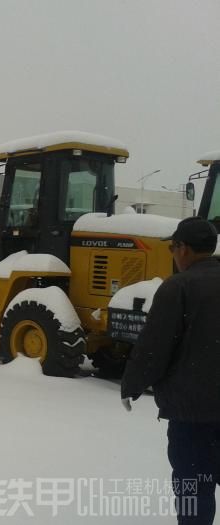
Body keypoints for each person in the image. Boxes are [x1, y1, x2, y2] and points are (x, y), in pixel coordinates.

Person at [121, 216, 220, 524]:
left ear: (183, 249)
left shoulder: (179, 287)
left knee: (195, 492)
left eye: (172, 248)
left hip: (194, 417)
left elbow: (154, 346)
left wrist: (132, 384)